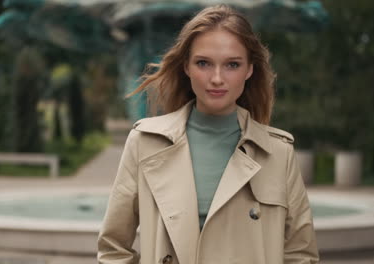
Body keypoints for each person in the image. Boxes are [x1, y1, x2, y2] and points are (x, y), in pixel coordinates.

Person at [98, 4, 319, 264]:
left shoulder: (278, 153)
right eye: (203, 63)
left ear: (249, 69)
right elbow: (113, 247)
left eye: (232, 65)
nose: (217, 78)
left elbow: (300, 255)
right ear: (186, 67)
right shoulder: (146, 142)